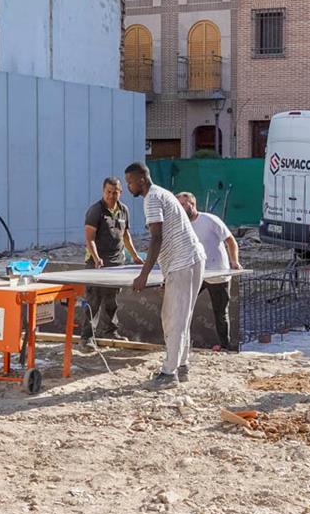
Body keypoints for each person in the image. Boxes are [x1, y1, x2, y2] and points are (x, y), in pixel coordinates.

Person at [124, 162, 205, 390]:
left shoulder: (151, 199)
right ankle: (181, 366)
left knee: (173, 319)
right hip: (191, 259)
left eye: (130, 181)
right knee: (182, 317)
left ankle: (169, 374)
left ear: (141, 180)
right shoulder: (163, 193)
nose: (129, 186)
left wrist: (144, 275)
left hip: (183, 262)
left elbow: (156, 238)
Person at [80, 177, 143, 351]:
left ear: (120, 192)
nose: (111, 195)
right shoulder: (95, 211)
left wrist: (135, 256)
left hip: (117, 264)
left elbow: (125, 235)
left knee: (111, 300)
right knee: (93, 301)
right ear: (103, 191)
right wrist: (96, 257)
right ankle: (87, 337)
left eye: (114, 192)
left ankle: (108, 331)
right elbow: (89, 238)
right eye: (108, 192)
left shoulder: (123, 210)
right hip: (97, 264)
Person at [175, 192, 242, 351]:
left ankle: (225, 346)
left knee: (220, 313)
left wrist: (234, 261)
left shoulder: (210, 220)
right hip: (195, 272)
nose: (181, 208)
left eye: (184, 204)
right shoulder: (180, 225)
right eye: (179, 205)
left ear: (192, 204)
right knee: (182, 306)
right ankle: (180, 342)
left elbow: (230, 240)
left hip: (217, 272)